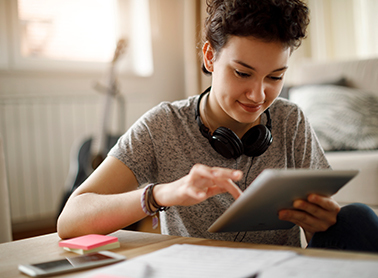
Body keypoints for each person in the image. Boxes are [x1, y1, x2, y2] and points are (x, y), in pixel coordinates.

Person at [57, 0, 378, 252]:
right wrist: (162, 194)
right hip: (202, 269)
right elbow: (71, 219)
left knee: (356, 217)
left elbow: (318, 238)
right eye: (242, 73)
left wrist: (322, 220)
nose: (258, 95)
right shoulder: (162, 125)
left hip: (281, 269)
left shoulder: (290, 121)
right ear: (210, 57)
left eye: (275, 77)